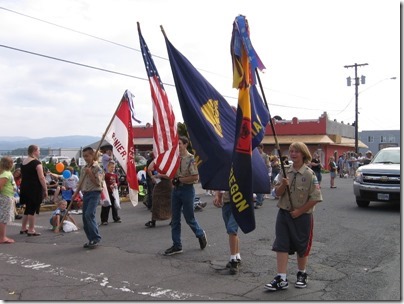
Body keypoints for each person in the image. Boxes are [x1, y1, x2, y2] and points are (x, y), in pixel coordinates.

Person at [265, 142, 322, 291]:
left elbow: (315, 198)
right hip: (284, 213)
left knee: (301, 246)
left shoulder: (310, 174)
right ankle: (281, 278)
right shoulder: (284, 171)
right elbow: (275, 193)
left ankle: (301, 274)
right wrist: (283, 185)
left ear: (303, 154)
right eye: (291, 151)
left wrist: (299, 211)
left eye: (296, 151)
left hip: (302, 216)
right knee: (281, 244)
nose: (293, 154)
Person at [164, 136, 207, 256]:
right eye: (176, 144)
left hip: (187, 190)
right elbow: (170, 173)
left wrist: (180, 180)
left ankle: (200, 234)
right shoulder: (174, 159)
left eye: (180, 144)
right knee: (175, 219)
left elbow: (195, 177)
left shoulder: (191, 159)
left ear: (185, 144)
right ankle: (177, 245)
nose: (178, 146)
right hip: (176, 191)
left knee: (189, 218)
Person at [73, 147, 104, 249]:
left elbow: (98, 183)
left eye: (87, 156)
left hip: (94, 193)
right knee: (85, 218)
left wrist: (90, 173)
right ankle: (90, 239)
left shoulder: (97, 168)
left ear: (92, 156)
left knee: (89, 214)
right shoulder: (83, 168)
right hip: (86, 193)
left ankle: (95, 238)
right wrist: (76, 193)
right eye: (84, 156)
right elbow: (80, 182)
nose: (85, 158)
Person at [20, 145, 48, 236]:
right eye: (39, 150)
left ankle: (23, 228)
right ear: (35, 151)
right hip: (34, 188)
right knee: (32, 209)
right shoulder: (37, 163)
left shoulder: (24, 162)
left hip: (25, 187)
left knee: (27, 208)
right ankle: (31, 229)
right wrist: (45, 189)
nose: (39, 152)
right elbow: (41, 177)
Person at [213, 190, 242, 275]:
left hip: (238, 202)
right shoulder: (223, 176)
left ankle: (233, 260)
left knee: (231, 229)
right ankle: (237, 256)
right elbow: (221, 184)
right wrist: (218, 196)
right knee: (232, 232)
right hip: (226, 203)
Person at [145, 160, 172, 228]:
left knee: (169, 202)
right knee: (156, 201)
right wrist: (152, 177)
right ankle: (153, 221)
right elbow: (149, 169)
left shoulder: (169, 160)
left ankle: (173, 219)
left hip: (168, 183)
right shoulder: (157, 159)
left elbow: (170, 175)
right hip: (159, 182)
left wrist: (160, 175)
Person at [0, 156, 17, 244]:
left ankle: (2, 236)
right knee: (4, 217)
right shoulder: (6, 174)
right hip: (5, 197)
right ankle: (2, 237)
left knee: (4, 217)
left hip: (7, 196)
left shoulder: (5, 173)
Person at [255, 143, 270, 208]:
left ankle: (258, 202)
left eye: (259, 148)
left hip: (262, 173)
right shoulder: (254, 155)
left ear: (262, 148)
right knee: (255, 188)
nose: (258, 150)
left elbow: (267, 165)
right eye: (257, 148)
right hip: (255, 173)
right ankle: (260, 199)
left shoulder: (265, 156)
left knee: (260, 188)